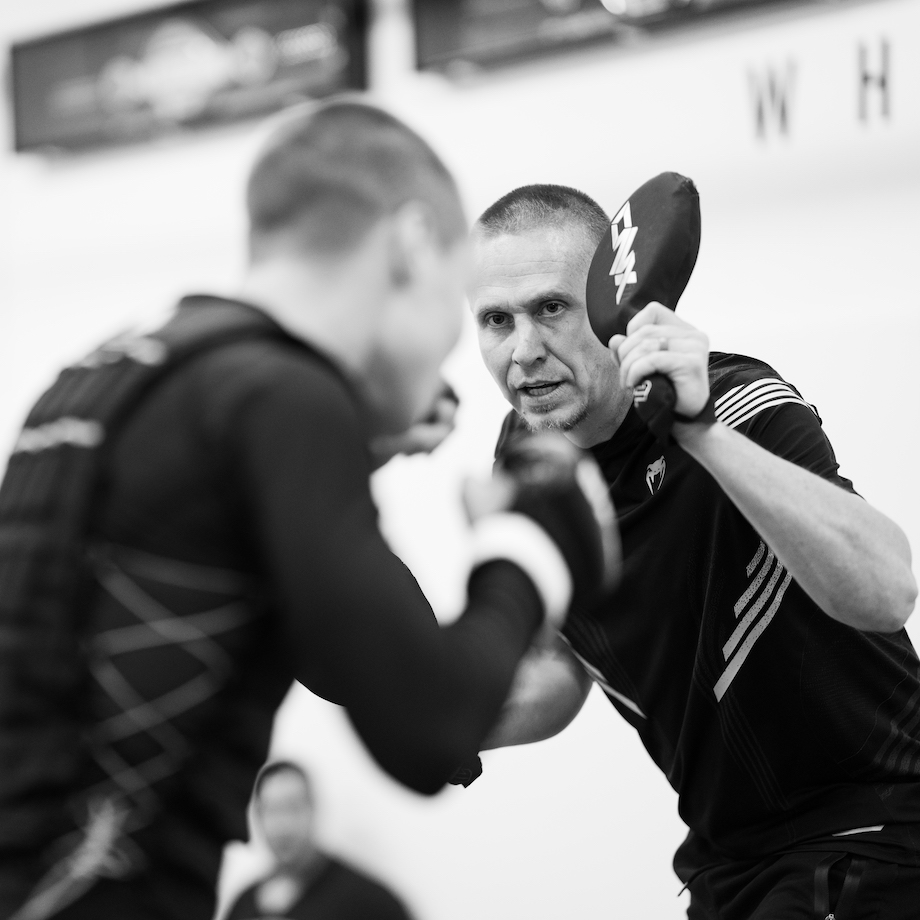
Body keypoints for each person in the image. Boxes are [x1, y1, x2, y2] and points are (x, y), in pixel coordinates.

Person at [0, 106, 615, 920]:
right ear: (411, 246)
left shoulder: (105, 374)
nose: (457, 352)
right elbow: (427, 726)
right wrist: (530, 548)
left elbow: (329, 648)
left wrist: (361, 448)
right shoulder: (286, 402)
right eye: (471, 308)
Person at [468, 183, 920, 919]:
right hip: (725, 862)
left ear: (612, 299)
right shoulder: (525, 466)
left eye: (551, 308)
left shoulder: (736, 402)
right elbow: (562, 668)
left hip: (875, 829)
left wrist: (698, 430)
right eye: (496, 320)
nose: (523, 350)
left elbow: (889, 589)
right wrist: (440, 718)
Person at [224, 761, 411, 920]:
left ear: (312, 810)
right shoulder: (243, 904)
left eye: (293, 807)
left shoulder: (366, 900)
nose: (283, 825)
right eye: (271, 809)